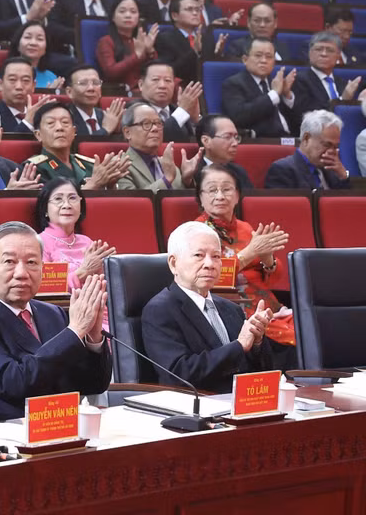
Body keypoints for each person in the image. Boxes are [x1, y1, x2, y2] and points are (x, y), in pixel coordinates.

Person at [0, 221, 112, 423]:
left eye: (31, 262)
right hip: (8, 432)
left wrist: (93, 339)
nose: (21, 273)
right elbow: (15, 382)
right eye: (9, 262)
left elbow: (93, 385)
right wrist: (74, 331)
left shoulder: (52, 313)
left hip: (62, 426)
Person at [142, 221, 275, 393]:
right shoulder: (160, 310)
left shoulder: (231, 309)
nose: (210, 264)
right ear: (173, 263)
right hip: (199, 403)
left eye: (216, 256)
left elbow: (262, 370)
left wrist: (257, 343)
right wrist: (239, 345)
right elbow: (179, 374)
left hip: (245, 399)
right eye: (199, 255)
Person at [195, 164, 297, 366]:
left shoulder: (245, 228)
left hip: (268, 306)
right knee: (291, 340)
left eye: (226, 189)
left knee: (311, 327)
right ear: (200, 197)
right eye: (212, 190)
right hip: (232, 309)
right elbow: (210, 278)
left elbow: (274, 280)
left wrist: (267, 258)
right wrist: (250, 253)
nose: (220, 196)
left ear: (237, 195)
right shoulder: (196, 233)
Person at [25, 101, 131, 188]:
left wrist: (110, 184)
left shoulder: (89, 165)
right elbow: (52, 202)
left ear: (74, 132)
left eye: (65, 122)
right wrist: (94, 184)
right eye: (50, 123)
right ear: (38, 135)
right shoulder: (33, 168)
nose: (59, 128)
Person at [36, 178, 115, 291]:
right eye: (58, 199)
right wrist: (84, 271)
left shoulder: (87, 242)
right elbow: (44, 287)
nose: (67, 205)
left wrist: (107, 268)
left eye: (72, 198)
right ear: (45, 209)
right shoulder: (38, 243)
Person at [117, 101, 202, 191]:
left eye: (158, 123)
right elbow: (131, 199)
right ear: (127, 132)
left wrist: (187, 180)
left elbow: (181, 198)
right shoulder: (120, 165)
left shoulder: (168, 165)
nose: (155, 128)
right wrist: (166, 180)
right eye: (146, 124)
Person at [223, 38, 299, 138]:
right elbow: (239, 117)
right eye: (258, 55)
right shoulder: (234, 84)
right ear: (245, 60)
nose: (264, 60)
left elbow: (296, 120)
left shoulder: (276, 82)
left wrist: (286, 95)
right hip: (263, 140)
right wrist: (274, 94)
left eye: (269, 57)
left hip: (291, 138)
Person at [264, 109, 350, 189]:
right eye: (327, 145)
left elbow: (345, 199)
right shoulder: (282, 170)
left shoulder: (333, 170)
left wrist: (344, 176)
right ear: (306, 138)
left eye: (335, 147)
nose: (331, 151)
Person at [96, 0, 158, 96]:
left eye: (133, 12)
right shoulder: (106, 42)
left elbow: (156, 70)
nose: (128, 15)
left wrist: (150, 50)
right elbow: (111, 73)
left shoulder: (141, 40)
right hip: (121, 92)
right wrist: (136, 56)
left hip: (146, 89)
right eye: (122, 11)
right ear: (113, 17)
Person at [293, 31, 365, 117]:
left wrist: (359, 102)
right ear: (310, 53)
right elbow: (310, 114)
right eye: (318, 49)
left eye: (330, 50)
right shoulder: (300, 80)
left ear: (338, 56)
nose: (324, 54)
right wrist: (342, 100)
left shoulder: (342, 83)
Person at [154, 0, 221, 84]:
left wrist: (217, 54)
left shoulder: (206, 38)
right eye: (189, 9)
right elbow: (170, 70)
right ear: (175, 16)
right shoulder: (165, 39)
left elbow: (209, 70)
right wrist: (194, 51)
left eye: (197, 10)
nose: (195, 13)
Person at [137, 61, 201, 143]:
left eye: (168, 80)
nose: (162, 85)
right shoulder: (133, 110)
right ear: (141, 85)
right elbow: (157, 137)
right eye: (155, 80)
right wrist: (182, 110)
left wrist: (195, 120)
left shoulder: (175, 110)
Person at [193, 114, 254, 188]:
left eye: (236, 137)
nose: (235, 143)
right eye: (227, 137)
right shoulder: (193, 173)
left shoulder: (239, 172)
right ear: (206, 141)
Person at [0, 57, 50, 134]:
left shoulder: (39, 116)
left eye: (25, 80)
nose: (19, 87)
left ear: (33, 86)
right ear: (0, 84)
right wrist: (27, 122)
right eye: (12, 79)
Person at [65, 64, 124, 136]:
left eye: (96, 83)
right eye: (83, 83)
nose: (91, 88)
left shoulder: (105, 116)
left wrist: (118, 131)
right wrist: (105, 130)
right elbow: (79, 142)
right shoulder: (65, 118)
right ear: (69, 92)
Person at [8, 21, 63, 89]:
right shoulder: (7, 74)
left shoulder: (51, 78)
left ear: (46, 48)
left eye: (40, 39)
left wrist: (51, 92)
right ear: (18, 45)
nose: (33, 43)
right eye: (27, 37)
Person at [226, 3, 290, 60]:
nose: (262, 25)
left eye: (267, 21)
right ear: (248, 22)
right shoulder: (237, 47)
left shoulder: (282, 47)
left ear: (275, 23)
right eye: (257, 20)